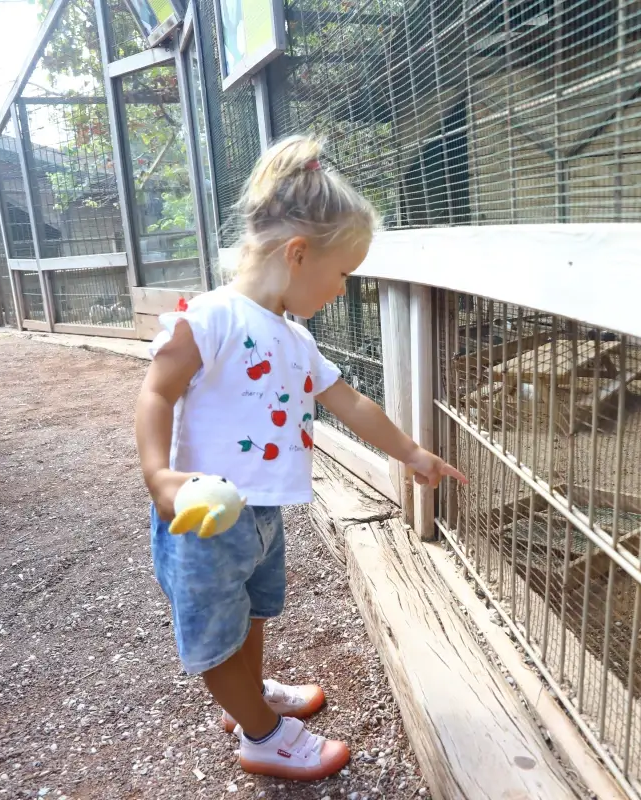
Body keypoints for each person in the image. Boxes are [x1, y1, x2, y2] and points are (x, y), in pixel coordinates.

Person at [134, 136, 467, 782]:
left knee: (249, 615)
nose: (344, 289)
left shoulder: (295, 337)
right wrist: (158, 476)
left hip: (258, 516)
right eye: (344, 274)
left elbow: (349, 401)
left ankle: (249, 694)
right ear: (297, 254)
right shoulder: (213, 318)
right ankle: (264, 735)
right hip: (203, 517)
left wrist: (409, 452)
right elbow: (157, 390)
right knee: (213, 635)